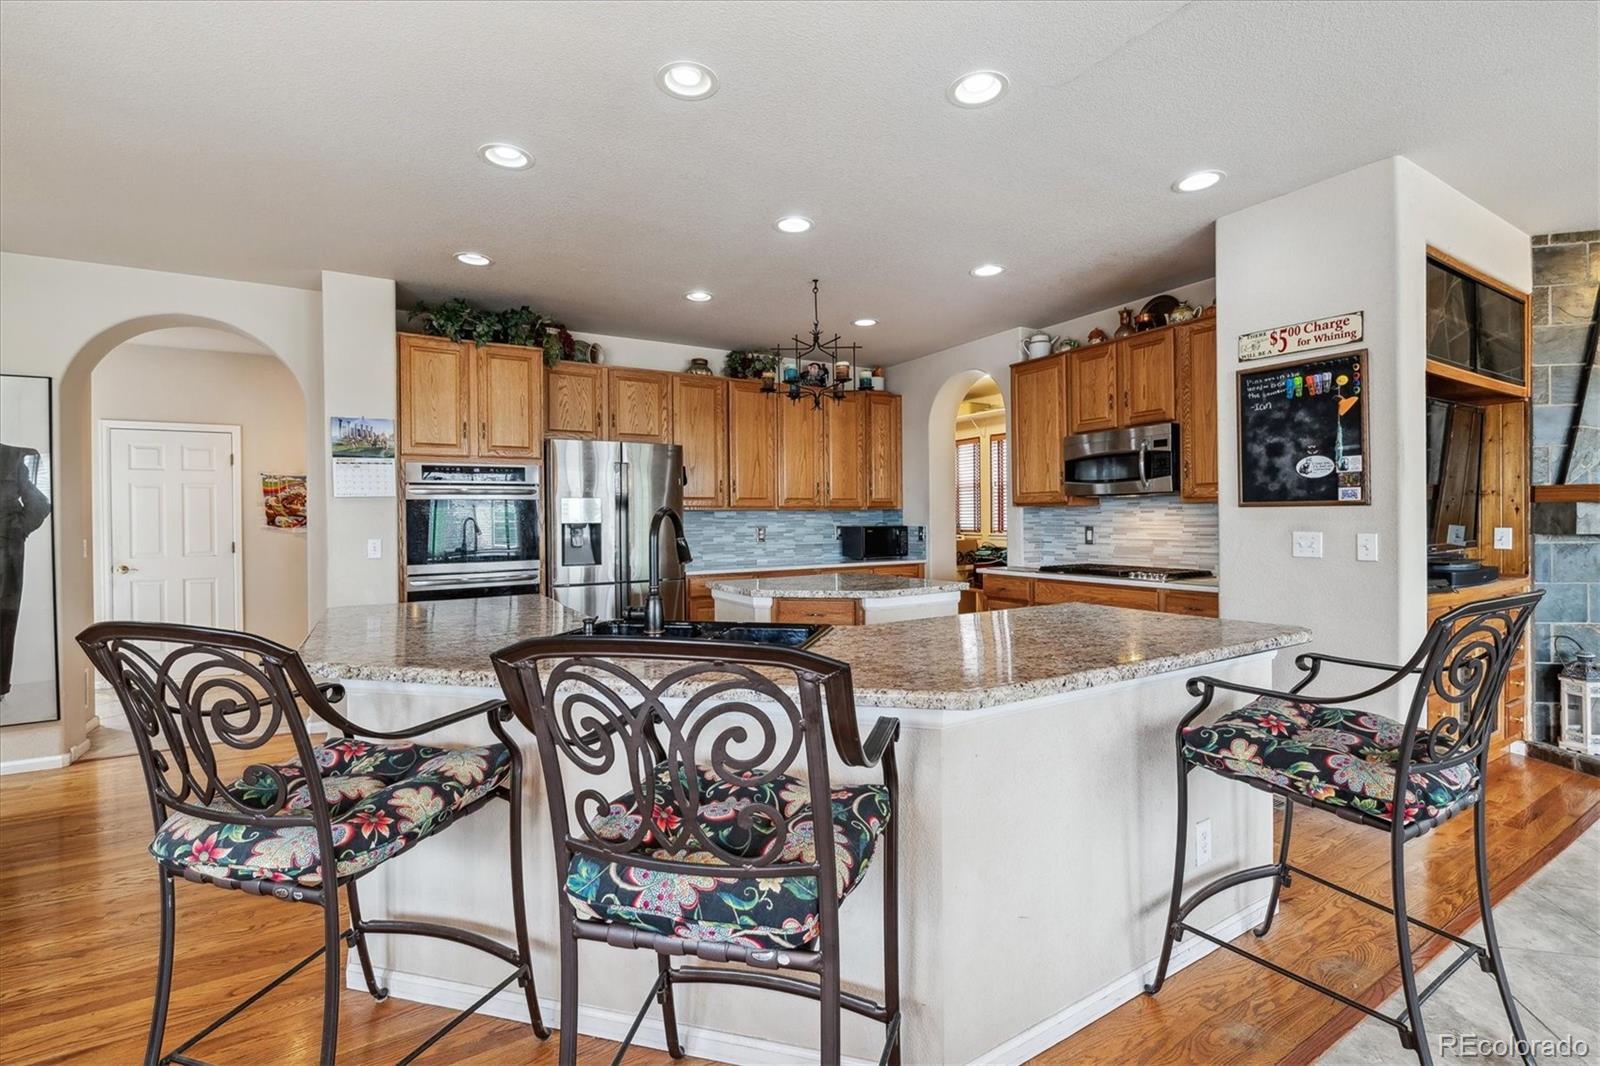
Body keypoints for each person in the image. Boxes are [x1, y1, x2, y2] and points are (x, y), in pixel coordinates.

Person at [0, 443, 51, 698]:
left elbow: (39, 503)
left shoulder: (10, 456)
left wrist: (14, 531)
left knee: (3, 619)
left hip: (4, 552)